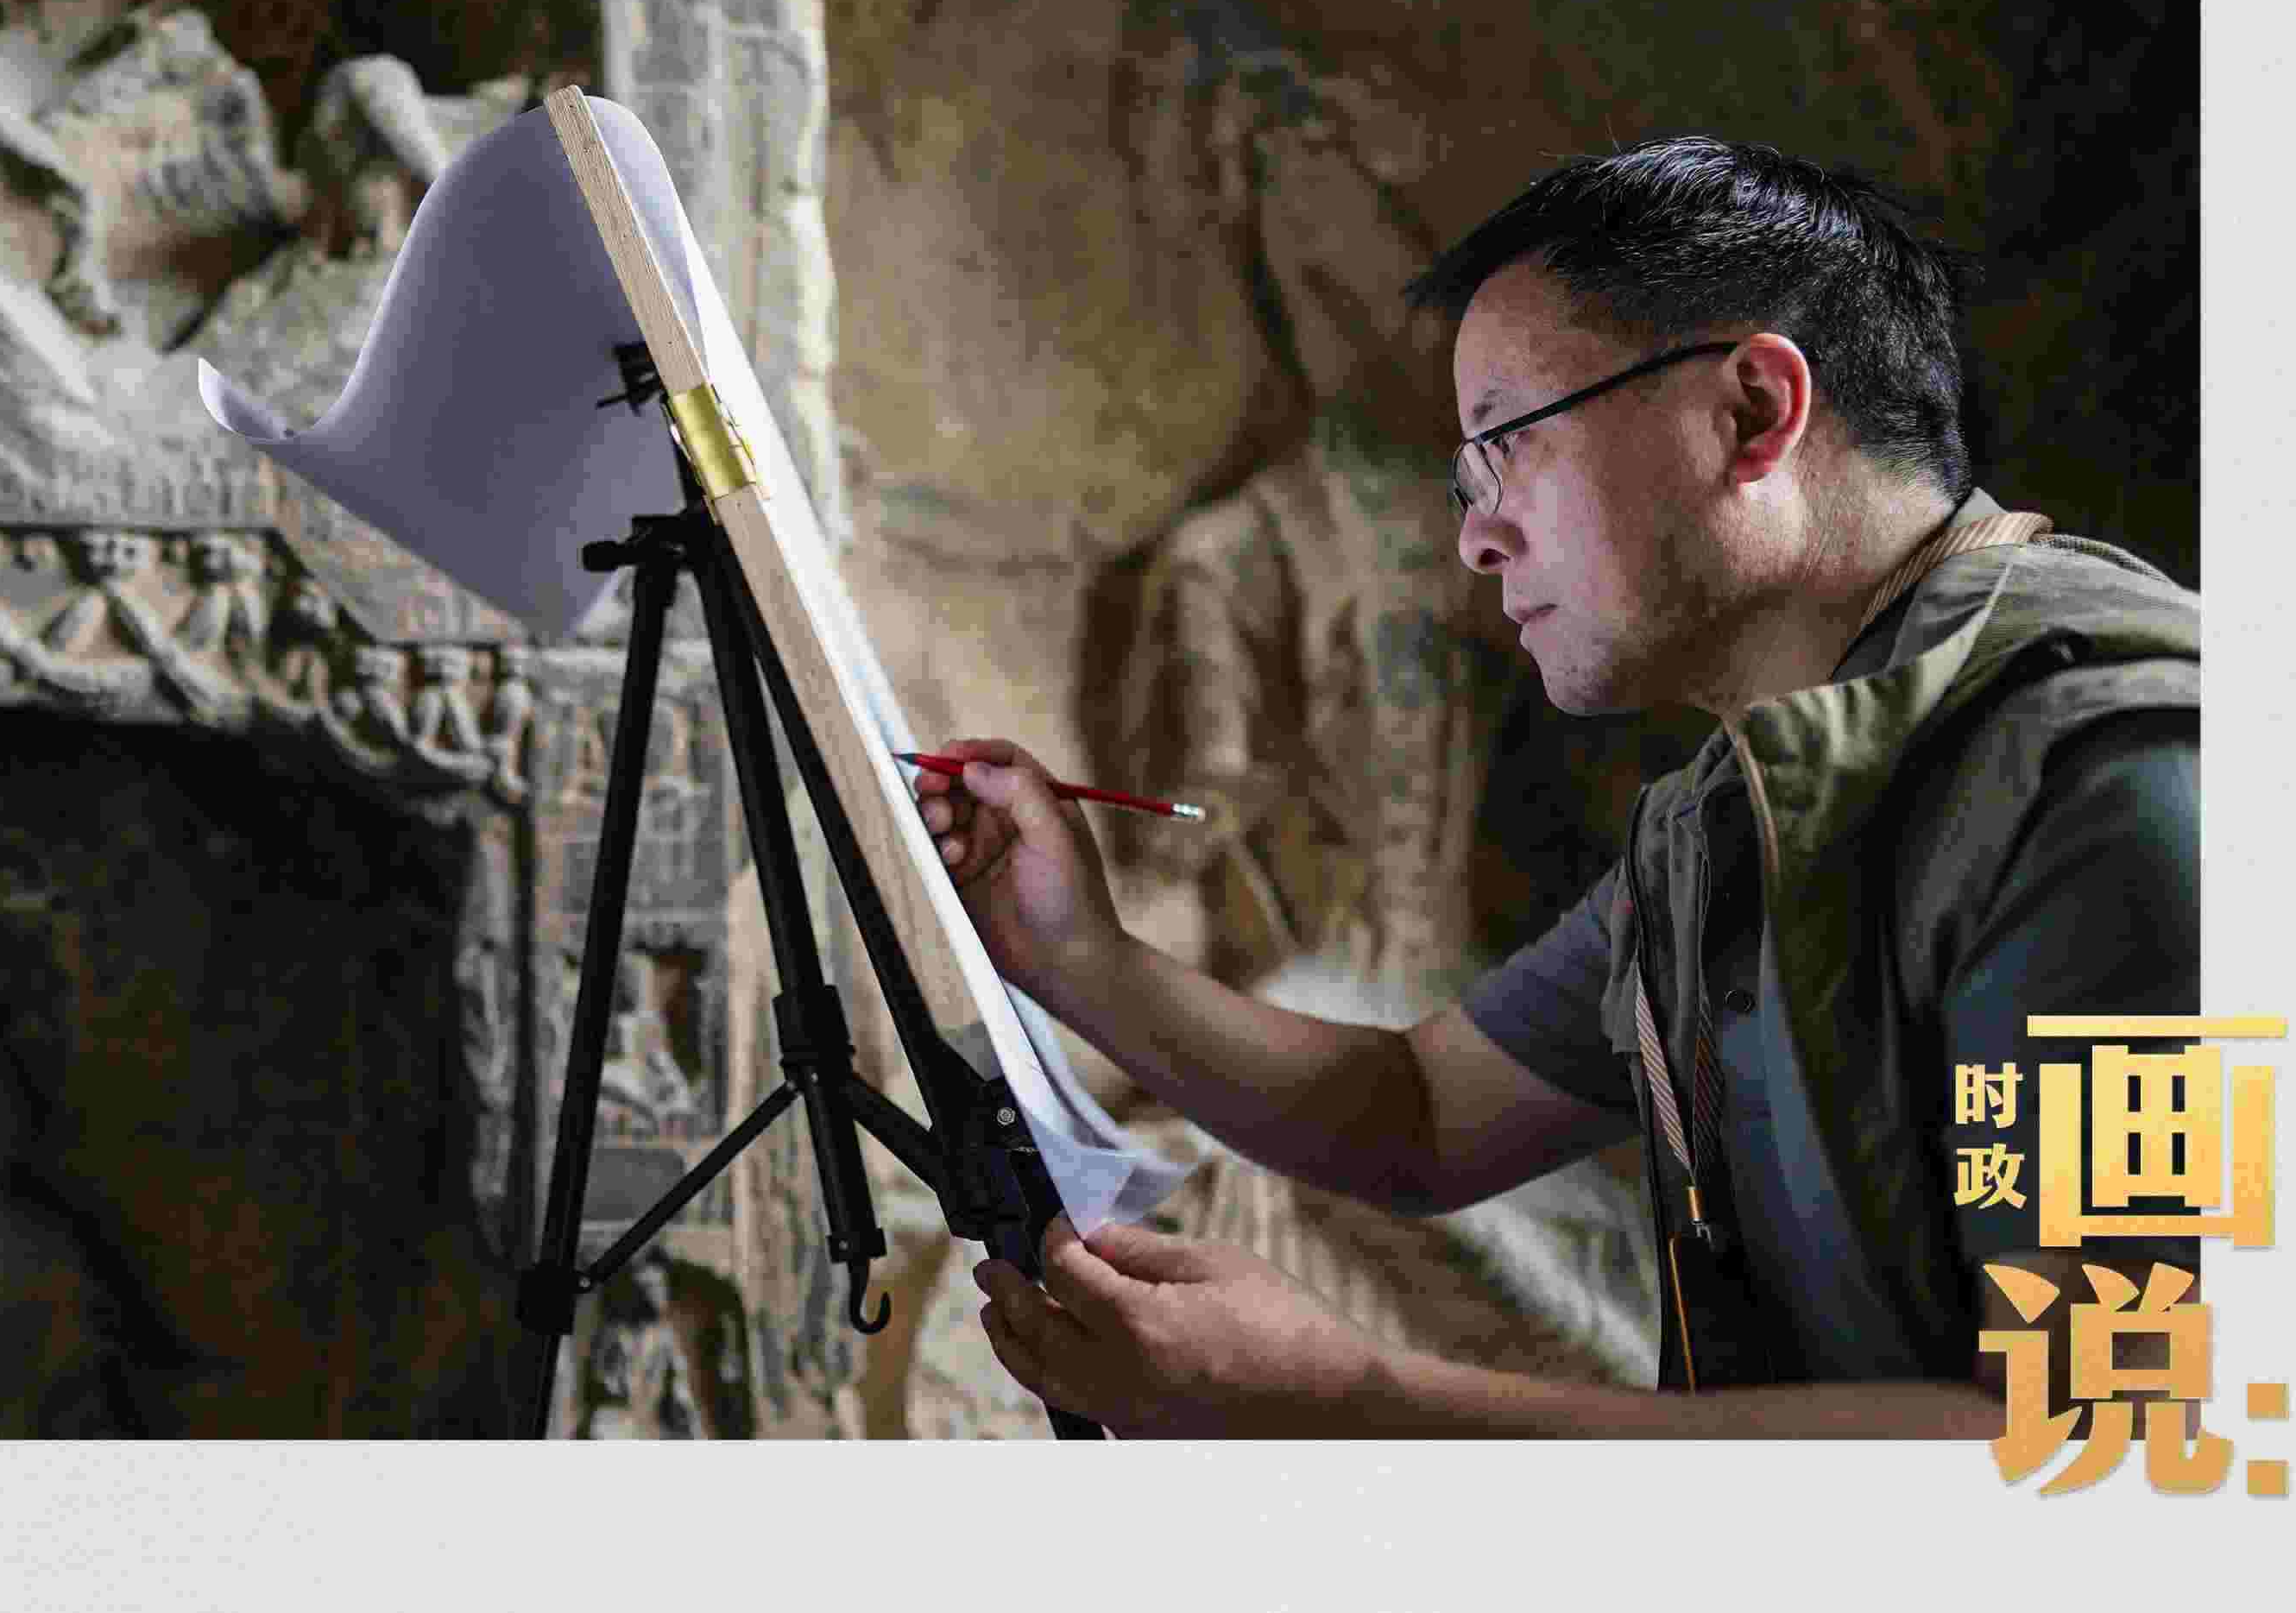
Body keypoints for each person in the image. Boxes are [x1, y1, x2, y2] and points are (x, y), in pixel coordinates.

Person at [917, 135, 2198, 1435]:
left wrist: (1346, 1403)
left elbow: (2107, 1454)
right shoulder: (1739, 815)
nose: (1476, 537)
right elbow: (1423, 1111)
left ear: (1753, 411)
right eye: (1463, 476)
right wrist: (1074, 950)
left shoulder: (2112, 784)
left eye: (1509, 446)